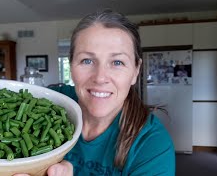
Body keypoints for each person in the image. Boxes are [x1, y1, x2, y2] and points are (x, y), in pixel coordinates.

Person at [15, 9, 175, 176]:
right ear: (71, 66)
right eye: (87, 60)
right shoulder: (51, 102)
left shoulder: (152, 144)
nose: (100, 77)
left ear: (136, 71)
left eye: (117, 62)